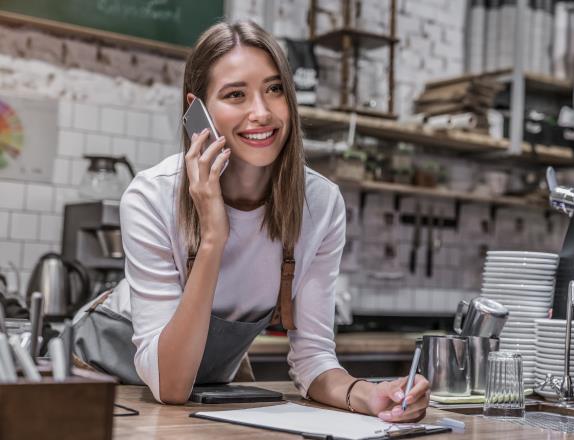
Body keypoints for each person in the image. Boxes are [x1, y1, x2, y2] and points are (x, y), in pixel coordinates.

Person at [80, 20, 429, 422]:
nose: (261, 112)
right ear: (196, 111)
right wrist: (213, 235)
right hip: (98, 379)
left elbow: (314, 358)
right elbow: (171, 386)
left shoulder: (320, 204)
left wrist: (369, 395)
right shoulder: (152, 196)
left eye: (274, 89)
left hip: (198, 393)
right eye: (235, 94)